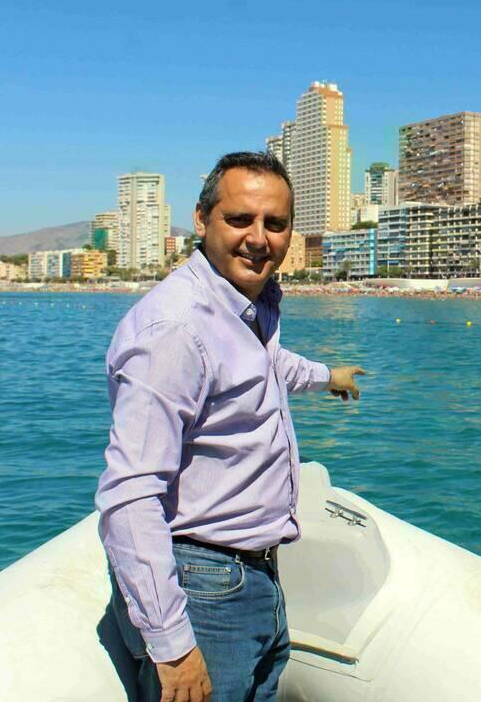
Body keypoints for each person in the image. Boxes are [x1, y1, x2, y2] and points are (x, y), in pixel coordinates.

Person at [96, 151, 365, 702]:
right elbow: (129, 495)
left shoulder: (247, 305)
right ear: (202, 220)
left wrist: (326, 377)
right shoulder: (176, 329)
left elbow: (266, 366)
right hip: (204, 586)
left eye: (276, 223)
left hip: (252, 575)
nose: (259, 238)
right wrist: (172, 646)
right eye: (239, 219)